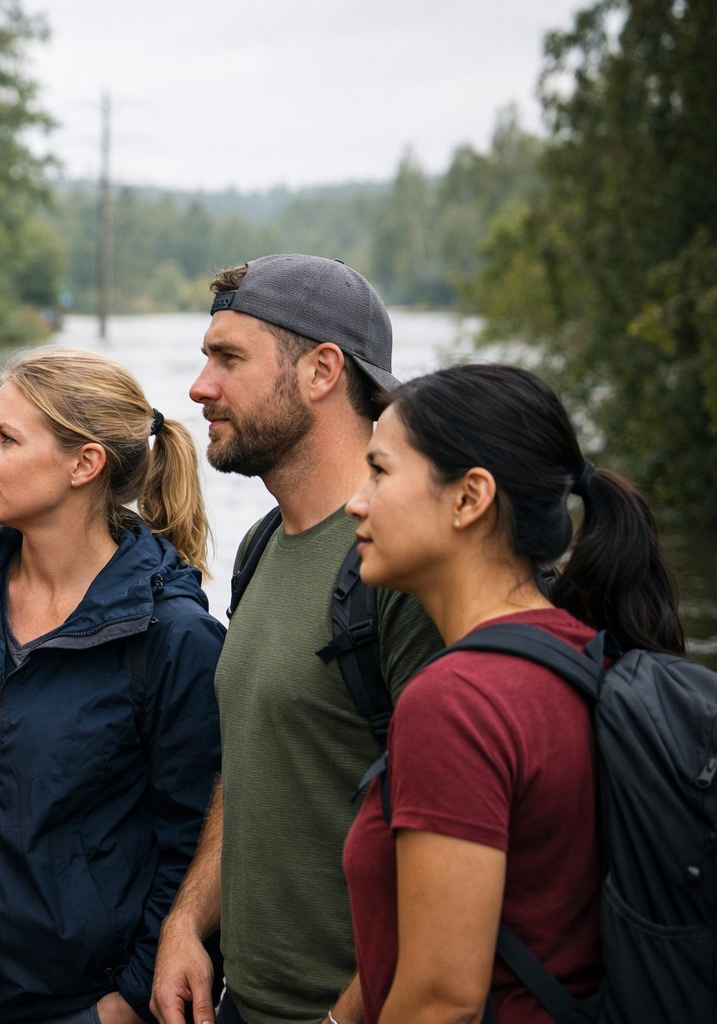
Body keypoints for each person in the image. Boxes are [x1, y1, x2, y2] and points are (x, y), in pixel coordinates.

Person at [0, 348, 227, 1023]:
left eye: (5, 438)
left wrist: (128, 1002)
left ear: (84, 464)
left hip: (78, 1009)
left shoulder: (172, 638)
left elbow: (195, 844)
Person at [341, 363, 683, 1023]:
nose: (357, 501)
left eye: (380, 471)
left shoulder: (457, 701)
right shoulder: (584, 654)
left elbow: (443, 1001)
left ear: (469, 499)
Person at [151, 255, 443, 1024]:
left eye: (229, 358)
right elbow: (255, 767)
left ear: (321, 371)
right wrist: (188, 921)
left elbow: (456, 839)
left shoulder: (404, 572)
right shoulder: (259, 548)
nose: (198, 386)